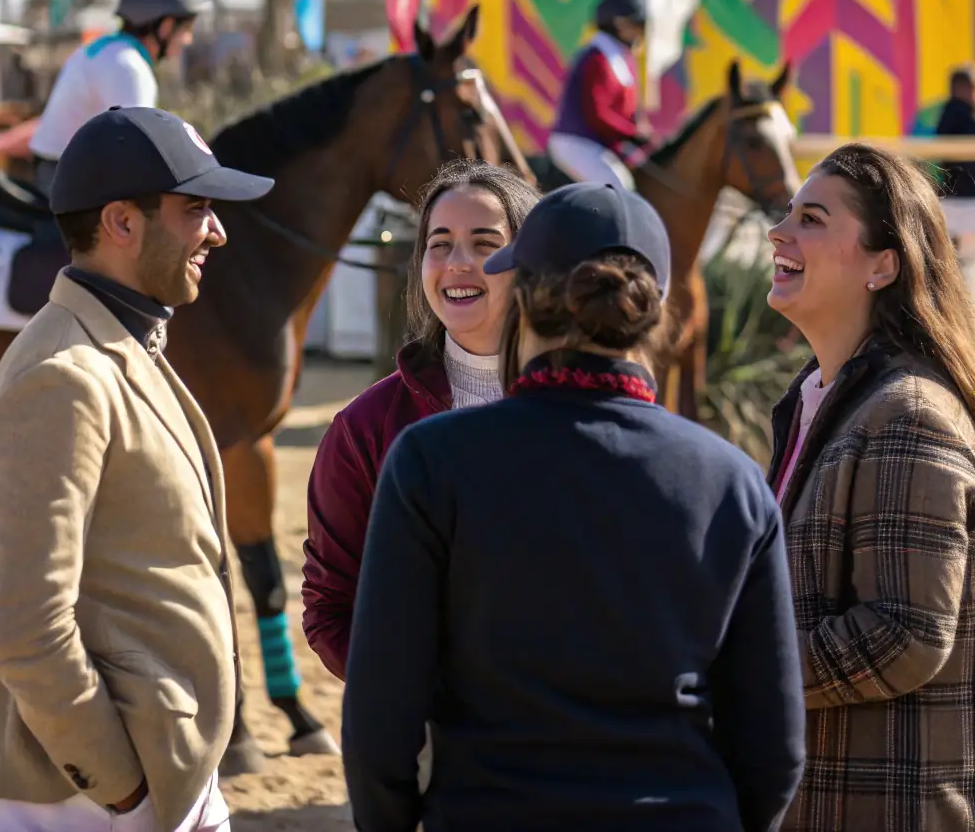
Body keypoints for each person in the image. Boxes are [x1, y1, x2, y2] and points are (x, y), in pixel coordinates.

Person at [342, 182, 806, 832]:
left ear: (524, 300)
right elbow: (775, 750)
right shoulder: (732, 481)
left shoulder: (432, 460)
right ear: (658, 307)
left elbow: (378, 723)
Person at [0, 105, 274, 832]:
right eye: (196, 208)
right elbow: (25, 629)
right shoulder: (62, 374)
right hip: (93, 792)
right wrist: (125, 792)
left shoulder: (122, 342)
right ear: (122, 223)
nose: (217, 231)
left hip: (158, 769)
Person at [767, 143, 975, 831]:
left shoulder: (909, 414)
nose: (779, 232)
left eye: (813, 219)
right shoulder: (815, 402)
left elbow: (907, 633)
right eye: (788, 214)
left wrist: (745, 668)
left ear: (883, 264)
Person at [302, 159, 540, 682]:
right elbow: (331, 610)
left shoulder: (585, 410)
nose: (457, 262)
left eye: (485, 243)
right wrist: (427, 695)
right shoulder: (365, 428)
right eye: (439, 243)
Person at [29, 0, 209, 196]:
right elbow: (136, 153)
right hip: (69, 180)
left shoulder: (105, 50)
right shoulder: (129, 67)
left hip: (55, 170)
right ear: (165, 27)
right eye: (186, 29)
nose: (188, 40)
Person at [548, 0, 650, 191]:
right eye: (639, 25)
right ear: (620, 24)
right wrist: (632, 133)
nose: (642, 32)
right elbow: (597, 114)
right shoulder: (597, 59)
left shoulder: (618, 57)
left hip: (598, 145)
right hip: (577, 143)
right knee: (620, 188)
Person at [935, 66, 975, 245]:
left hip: (955, 190)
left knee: (952, 245)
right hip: (963, 191)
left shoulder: (950, 113)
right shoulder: (960, 113)